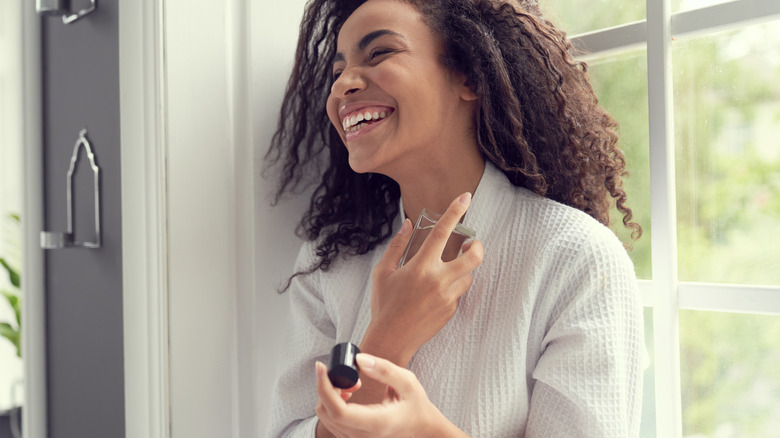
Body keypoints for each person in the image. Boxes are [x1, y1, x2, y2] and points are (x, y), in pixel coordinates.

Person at [265, 0, 646, 436]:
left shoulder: (576, 257)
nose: (343, 85)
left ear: (467, 75)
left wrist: (424, 430)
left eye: (379, 53)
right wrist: (387, 339)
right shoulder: (330, 262)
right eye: (337, 72)